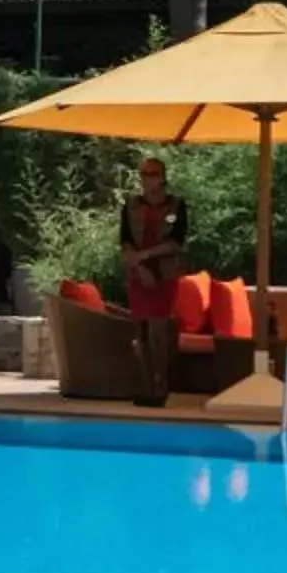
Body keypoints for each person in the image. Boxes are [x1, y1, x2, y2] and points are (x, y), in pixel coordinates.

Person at [119, 156, 191, 401]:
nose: (148, 178)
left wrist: (145, 256)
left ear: (163, 177)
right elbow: (125, 241)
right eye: (144, 174)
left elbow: (176, 242)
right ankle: (146, 385)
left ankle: (162, 385)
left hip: (165, 273)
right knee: (140, 332)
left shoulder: (176, 206)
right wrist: (139, 266)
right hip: (138, 274)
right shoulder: (130, 205)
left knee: (158, 330)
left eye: (153, 173)